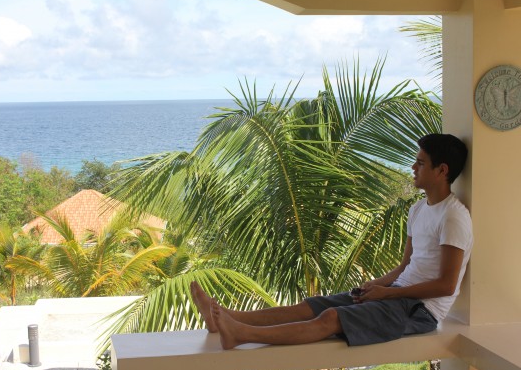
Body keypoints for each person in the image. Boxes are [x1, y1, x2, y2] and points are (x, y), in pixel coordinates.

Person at [190, 133, 472, 350]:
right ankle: (224, 317)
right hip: (398, 294)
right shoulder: (419, 209)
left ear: (442, 170)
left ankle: (241, 335)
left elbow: (446, 286)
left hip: (420, 310)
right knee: (311, 306)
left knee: (331, 318)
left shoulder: (453, 217)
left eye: (421, 163)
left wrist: (388, 294)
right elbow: (405, 266)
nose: (413, 167)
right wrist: (375, 285)